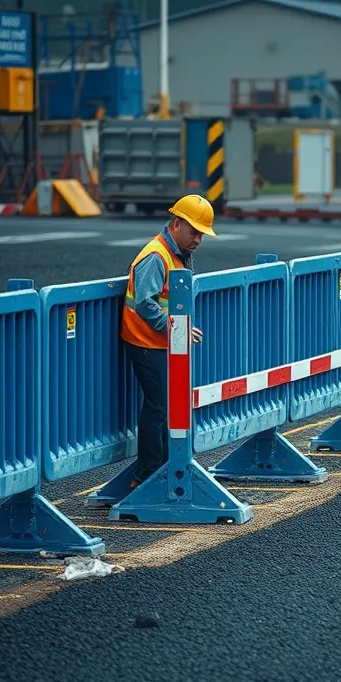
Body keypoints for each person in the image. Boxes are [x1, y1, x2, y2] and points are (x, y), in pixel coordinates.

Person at [120, 194, 215, 488]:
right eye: (194, 231)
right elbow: (145, 303)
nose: (198, 239)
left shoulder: (177, 253)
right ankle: (147, 476)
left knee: (165, 406)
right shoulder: (156, 255)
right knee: (158, 407)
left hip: (162, 341)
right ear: (176, 224)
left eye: (202, 234)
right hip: (146, 341)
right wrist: (174, 328)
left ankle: (161, 468)